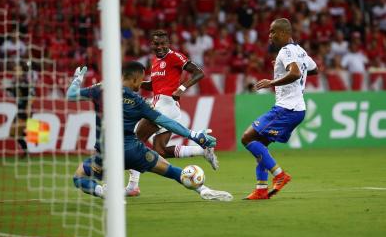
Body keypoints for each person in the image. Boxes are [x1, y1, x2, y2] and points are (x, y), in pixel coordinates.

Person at [66, 62, 232, 202]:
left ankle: (104, 192)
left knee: (79, 177)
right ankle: (203, 190)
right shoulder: (139, 102)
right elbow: (167, 122)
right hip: (133, 152)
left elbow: (71, 95)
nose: (141, 85)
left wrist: (77, 79)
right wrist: (193, 135)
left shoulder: (100, 90)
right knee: (170, 170)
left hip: (106, 155)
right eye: (141, 81)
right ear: (135, 78)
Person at [126, 29, 218, 197]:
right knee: (160, 150)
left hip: (165, 105)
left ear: (168, 44)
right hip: (166, 108)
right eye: (156, 44)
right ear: (151, 44)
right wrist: (133, 84)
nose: (160, 47)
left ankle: (133, 186)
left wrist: (182, 87)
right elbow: (153, 85)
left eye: (163, 44)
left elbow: (199, 72)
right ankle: (202, 151)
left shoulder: (175, 56)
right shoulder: (154, 61)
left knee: (134, 141)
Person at [241, 18, 318, 200]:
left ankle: (280, 175)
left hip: (287, 108)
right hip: (296, 108)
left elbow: (295, 73)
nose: (270, 36)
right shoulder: (300, 51)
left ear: (284, 33)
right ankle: (261, 189)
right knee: (261, 146)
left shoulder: (286, 51)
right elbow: (313, 69)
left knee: (247, 138)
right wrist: (286, 66)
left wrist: (271, 82)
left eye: (273, 32)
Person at [7, 61, 36, 158]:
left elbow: (32, 95)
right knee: (13, 133)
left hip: (25, 110)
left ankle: (32, 137)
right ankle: (26, 147)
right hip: (19, 109)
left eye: (17, 70)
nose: (15, 72)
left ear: (22, 71)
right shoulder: (14, 82)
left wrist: (28, 107)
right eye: (15, 70)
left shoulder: (25, 81)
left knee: (15, 132)